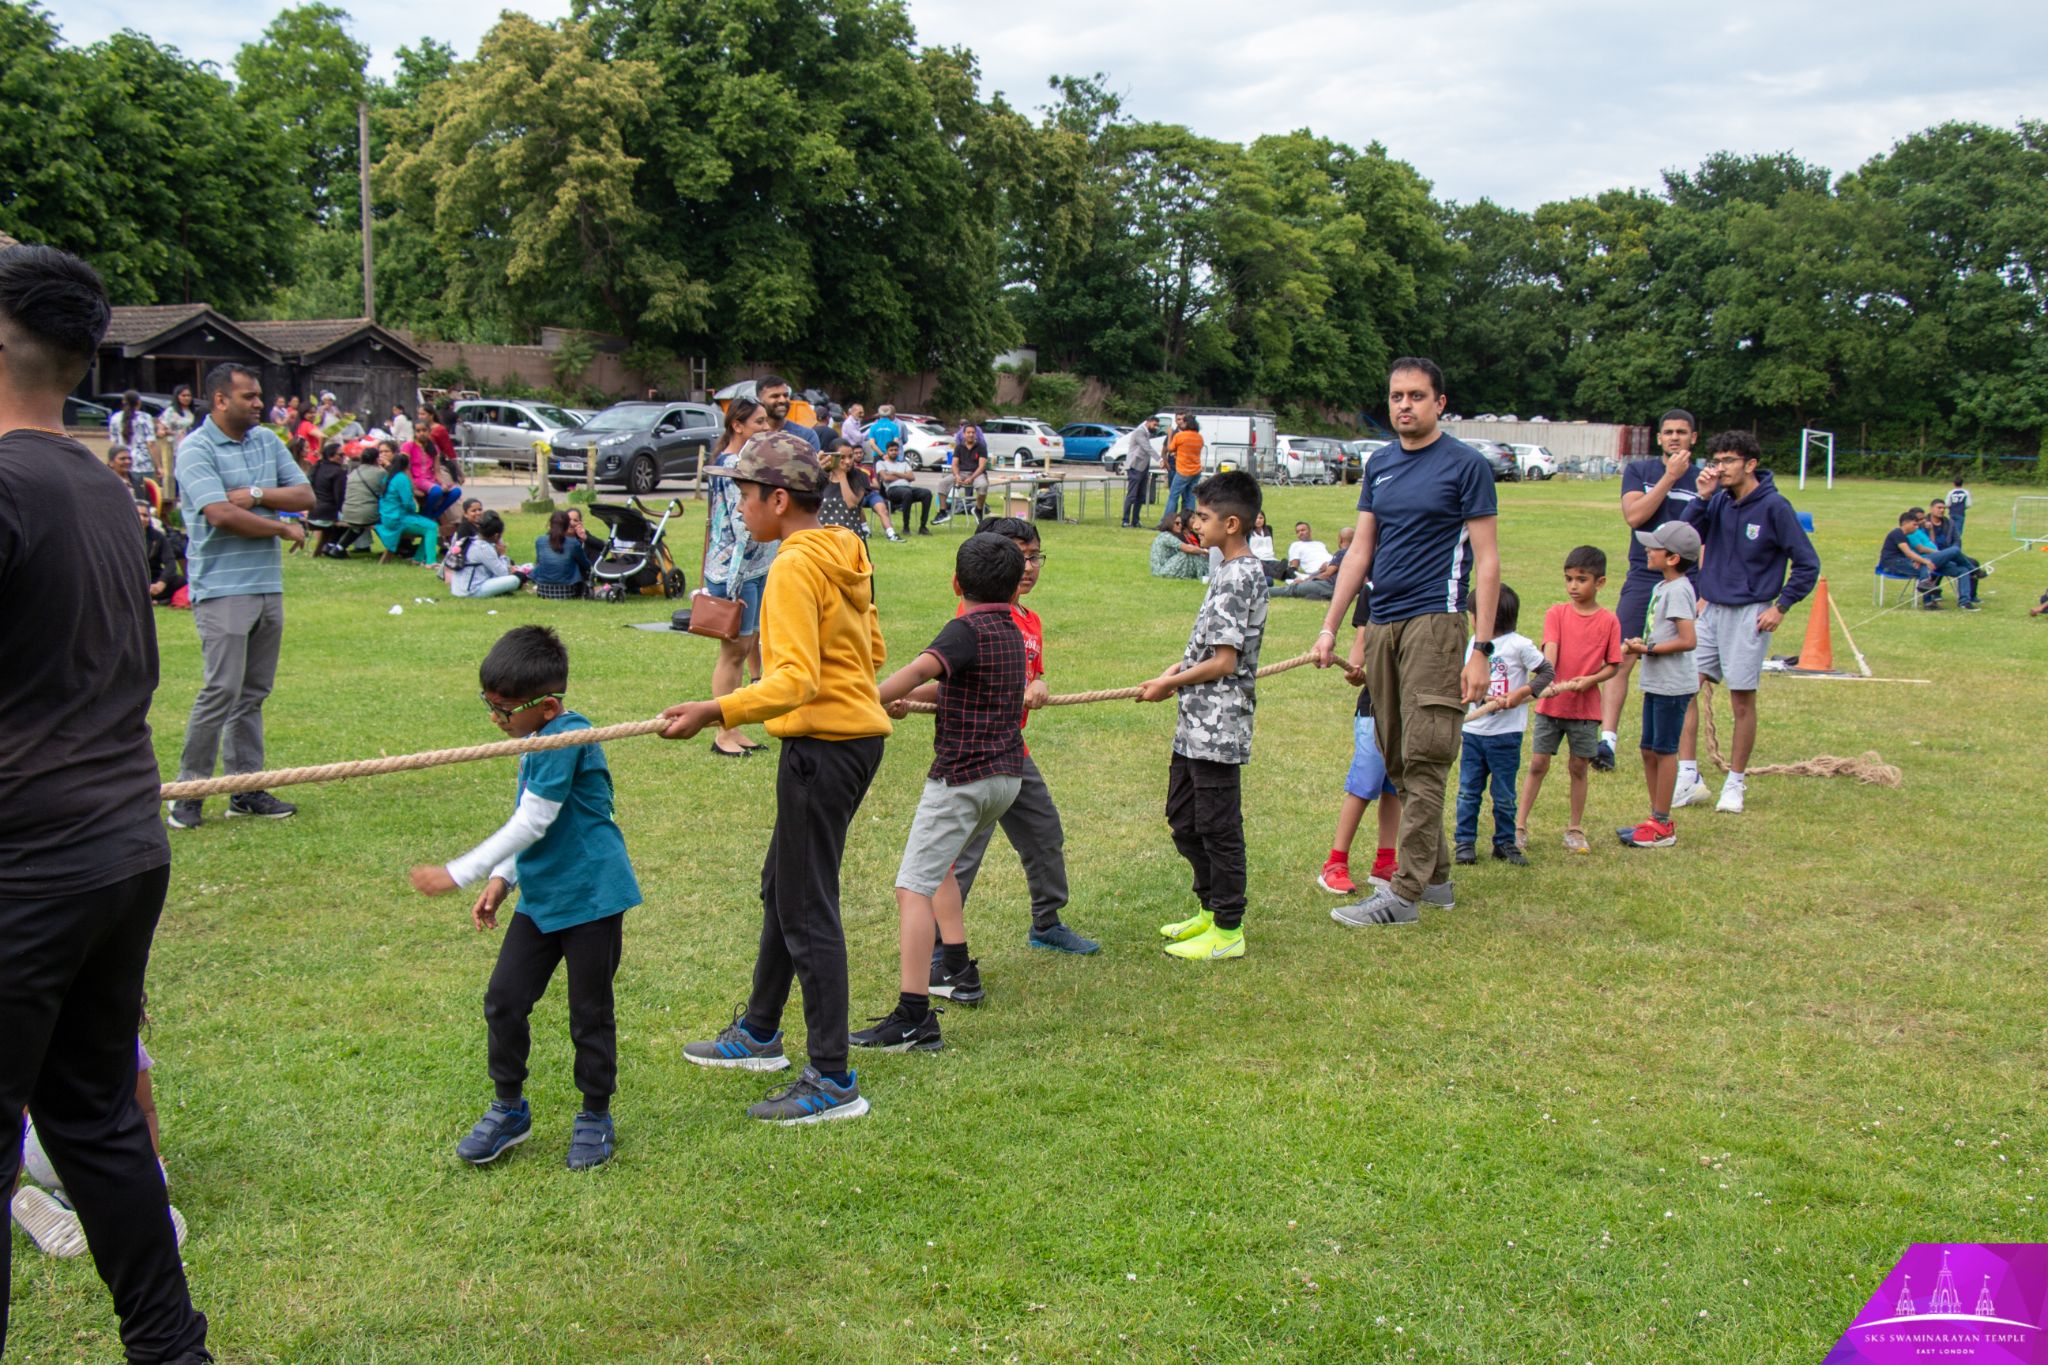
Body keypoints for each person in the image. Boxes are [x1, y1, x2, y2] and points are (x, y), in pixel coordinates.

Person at [0, 241, 212, 1362]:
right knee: (92, 1119)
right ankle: (173, 1349)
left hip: (31, 861)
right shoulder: (95, 478)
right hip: (115, 844)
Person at [664, 432, 890, 1124]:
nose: (739, 506)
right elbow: (872, 647)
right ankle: (760, 1030)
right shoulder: (846, 548)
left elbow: (794, 680)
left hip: (823, 746)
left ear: (778, 499)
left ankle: (831, 1077)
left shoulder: (795, 565)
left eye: (743, 494)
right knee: (783, 886)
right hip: (850, 741)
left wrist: (717, 709)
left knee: (806, 905)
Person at [408, 626, 641, 1170]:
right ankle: (509, 1107)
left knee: (590, 1011)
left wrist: (459, 872)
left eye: (503, 709)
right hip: (542, 899)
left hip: (591, 898)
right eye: (488, 705)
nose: (495, 719)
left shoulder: (568, 736)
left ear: (548, 705)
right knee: (505, 999)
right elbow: (531, 822)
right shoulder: (537, 739)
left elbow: (534, 818)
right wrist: (502, 878)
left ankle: (595, 1114)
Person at [1315, 357, 1498, 928]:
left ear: (1440, 402)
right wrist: (1332, 626)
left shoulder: (1466, 466)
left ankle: (1405, 894)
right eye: (1396, 396)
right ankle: (1437, 878)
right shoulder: (1381, 464)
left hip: (1435, 622)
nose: (1404, 406)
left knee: (1425, 756)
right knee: (1396, 756)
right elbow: (1360, 552)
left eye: (1416, 396)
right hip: (1386, 623)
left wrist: (1482, 649)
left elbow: (1487, 561)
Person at [851, 534, 1030, 1052]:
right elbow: (965, 683)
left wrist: (865, 702)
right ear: (1016, 588)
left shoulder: (964, 628)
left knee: (913, 889)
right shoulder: (1011, 630)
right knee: (943, 866)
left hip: (962, 781)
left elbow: (918, 670)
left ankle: (913, 1017)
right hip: (1004, 780)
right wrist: (910, 697)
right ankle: (955, 968)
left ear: (957, 584)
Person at [929, 516, 1099, 958]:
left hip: (1013, 751)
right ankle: (936, 949)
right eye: (1017, 558)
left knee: (1044, 833)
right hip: (975, 757)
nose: (1028, 567)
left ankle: (1047, 922)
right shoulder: (975, 618)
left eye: (1034, 556)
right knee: (962, 855)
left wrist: (1038, 684)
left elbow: (1033, 674)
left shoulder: (1031, 620)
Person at [167, 362, 314, 830]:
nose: (259, 403)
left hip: (266, 585)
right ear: (220, 400)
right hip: (222, 589)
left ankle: (245, 788)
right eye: (249, 396)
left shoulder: (268, 442)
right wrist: (281, 525)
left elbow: (305, 494)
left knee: (252, 693)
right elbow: (219, 514)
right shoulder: (195, 450)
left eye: (258, 396)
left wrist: (254, 493)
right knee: (221, 690)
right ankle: (188, 792)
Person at [1680, 430, 1821, 813]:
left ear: (1750, 464)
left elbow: (1807, 563)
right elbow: (1684, 539)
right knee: (1684, 688)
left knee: (1741, 699)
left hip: (1749, 613)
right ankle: (1687, 776)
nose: (1720, 468)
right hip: (1710, 610)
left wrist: (1781, 606)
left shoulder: (1775, 507)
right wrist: (1702, 498)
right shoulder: (1719, 501)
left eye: (1728, 461)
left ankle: (1735, 783)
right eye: (1716, 461)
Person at [1599, 409, 1702, 772]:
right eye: (1668, 432)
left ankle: (1685, 762)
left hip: (1686, 578)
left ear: (1693, 438)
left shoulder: (1704, 479)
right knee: (1622, 654)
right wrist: (1669, 479)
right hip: (1644, 575)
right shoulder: (1640, 471)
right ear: (1658, 438)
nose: (1674, 438)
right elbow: (1635, 517)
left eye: (1682, 432)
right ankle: (1607, 741)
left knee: (1682, 666)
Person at [1521, 547, 1622, 855]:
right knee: (1538, 763)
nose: (1573, 586)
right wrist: (1549, 679)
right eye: (1569, 579)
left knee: (1579, 767)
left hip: (1584, 710)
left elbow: (1613, 665)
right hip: (1552, 705)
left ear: (1600, 582)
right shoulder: (1557, 613)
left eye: (1582, 579)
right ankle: (1519, 826)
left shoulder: (1609, 621)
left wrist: (1591, 680)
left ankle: (1574, 829)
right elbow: (1550, 649)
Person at [1316, 580, 1404, 898]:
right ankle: (1335, 864)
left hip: (1409, 708)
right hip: (1375, 709)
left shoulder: (1427, 584)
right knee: (1364, 786)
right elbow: (1359, 650)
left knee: (1394, 787)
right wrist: (1354, 670)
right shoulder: (1373, 588)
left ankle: (1385, 862)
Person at [701, 397, 777, 756]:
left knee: (747, 647)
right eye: (759, 422)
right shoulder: (731, 466)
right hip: (734, 569)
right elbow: (739, 522)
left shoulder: (742, 462)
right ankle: (724, 733)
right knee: (732, 654)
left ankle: (735, 727)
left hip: (756, 565)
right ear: (738, 425)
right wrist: (733, 584)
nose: (766, 427)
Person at [1618, 522, 1701, 848]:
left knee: (1665, 751)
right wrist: (1644, 642)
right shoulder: (1663, 587)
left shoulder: (1680, 589)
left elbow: (1688, 639)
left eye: (1654, 547)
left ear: (1673, 557)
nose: (1647, 550)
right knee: (1648, 749)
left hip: (1672, 685)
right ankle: (1655, 816)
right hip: (1656, 682)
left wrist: (1647, 650)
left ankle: (1662, 825)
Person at [1453, 585, 1548, 867]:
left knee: (1504, 794)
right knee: (1468, 791)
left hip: (1505, 735)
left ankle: (1504, 842)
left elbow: (1547, 672)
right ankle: (1464, 842)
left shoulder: (1519, 645)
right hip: (1473, 734)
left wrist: (1519, 695)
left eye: (1473, 613)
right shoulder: (1473, 645)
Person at [375, 440, 441, 568]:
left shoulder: (387, 477)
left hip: (387, 517)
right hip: (398, 519)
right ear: (406, 467)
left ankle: (418, 558)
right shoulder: (401, 478)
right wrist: (414, 512)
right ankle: (430, 561)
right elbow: (408, 503)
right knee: (432, 526)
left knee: (430, 525)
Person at [1906, 506, 1980, 609]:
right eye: (1920, 519)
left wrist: (1931, 530)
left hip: (1935, 559)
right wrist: (1939, 553)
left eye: (1924, 518)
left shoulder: (1922, 530)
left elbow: (1932, 543)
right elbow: (1921, 549)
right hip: (1926, 560)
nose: (1923, 521)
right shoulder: (1910, 533)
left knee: (1963, 570)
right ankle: (1975, 570)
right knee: (1954, 550)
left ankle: (1964, 602)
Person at [447, 512, 523, 599]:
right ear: (496, 535)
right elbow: (503, 573)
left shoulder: (470, 540)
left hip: (457, 588)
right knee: (514, 580)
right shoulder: (484, 548)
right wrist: (502, 555)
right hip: (471, 591)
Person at [1271, 526, 1353, 599]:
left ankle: (1263, 592)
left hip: (1329, 586)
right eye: (1298, 531)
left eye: (1303, 530)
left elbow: (1327, 574)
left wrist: (1306, 581)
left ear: (1340, 539)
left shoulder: (1342, 553)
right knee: (1310, 590)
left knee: (1293, 589)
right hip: (1343, 591)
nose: (1301, 533)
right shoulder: (1358, 556)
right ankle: (1319, 596)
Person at [936, 421, 989, 524]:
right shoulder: (959, 447)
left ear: (976, 434)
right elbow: (954, 464)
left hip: (976, 474)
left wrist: (972, 478)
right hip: (961, 473)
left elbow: (982, 466)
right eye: (968, 432)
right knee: (942, 484)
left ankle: (978, 510)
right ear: (964, 434)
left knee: (983, 485)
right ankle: (943, 512)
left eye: (973, 432)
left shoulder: (981, 447)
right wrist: (956, 476)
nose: (971, 434)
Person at [532, 509, 593, 599]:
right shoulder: (573, 543)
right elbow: (586, 565)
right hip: (567, 590)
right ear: (567, 525)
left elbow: (538, 561)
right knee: (576, 562)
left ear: (550, 524)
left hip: (543, 589)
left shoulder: (540, 540)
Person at [876, 440, 933, 536]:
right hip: (892, 490)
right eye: (891, 450)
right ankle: (906, 527)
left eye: (896, 450)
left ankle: (923, 527)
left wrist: (894, 473)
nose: (894, 452)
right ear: (887, 452)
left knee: (927, 493)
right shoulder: (881, 463)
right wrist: (904, 475)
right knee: (907, 493)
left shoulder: (904, 464)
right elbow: (885, 478)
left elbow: (912, 477)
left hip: (908, 488)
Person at [140, 500, 189, 607]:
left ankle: (155, 599)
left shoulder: (158, 537)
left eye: (145, 515)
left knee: (181, 581)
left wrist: (162, 582)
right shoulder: (122, 538)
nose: (142, 518)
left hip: (154, 581)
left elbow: (170, 563)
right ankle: (154, 600)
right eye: (138, 515)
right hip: (134, 580)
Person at [756, 374, 821, 453]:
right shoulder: (752, 433)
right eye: (775, 396)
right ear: (760, 401)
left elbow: (813, 464)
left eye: (785, 395)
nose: (782, 400)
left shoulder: (806, 436)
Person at [307, 440, 348, 553]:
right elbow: (339, 496)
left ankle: (331, 544)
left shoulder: (318, 467)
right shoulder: (338, 472)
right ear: (331, 456)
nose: (343, 457)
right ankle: (334, 545)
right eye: (340, 455)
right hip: (327, 514)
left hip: (313, 513)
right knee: (355, 522)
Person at [1163, 411, 1204, 519]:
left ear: (1187, 424)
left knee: (1173, 496)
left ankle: (1167, 521)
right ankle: (1189, 521)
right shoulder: (1199, 437)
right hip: (1196, 471)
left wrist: (1170, 434)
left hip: (1183, 471)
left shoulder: (1180, 436)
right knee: (1190, 497)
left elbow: (1170, 448)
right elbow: (1191, 451)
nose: (1181, 424)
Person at [107, 389, 157, 478]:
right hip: (144, 465)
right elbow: (151, 444)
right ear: (139, 402)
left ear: (123, 402)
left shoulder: (115, 418)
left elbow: (113, 444)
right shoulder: (145, 418)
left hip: (122, 464)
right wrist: (158, 466)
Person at [1122, 415, 1160, 527]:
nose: (1156, 427)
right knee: (1132, 495)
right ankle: (1125, 520)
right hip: (1135, 466)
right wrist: (1160, 459)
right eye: (1154, 425)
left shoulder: (1146, 432)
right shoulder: (1139, 432)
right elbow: (1146, 447)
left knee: (1141, 496)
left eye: (1157, 425)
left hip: (1143, 467)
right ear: (1148, 422)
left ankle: (1135, 520)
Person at [1148, 509, 1210, 579]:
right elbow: (1187, 549)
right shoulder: (1166, 536)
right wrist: (1205, 551)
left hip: (1164, 567)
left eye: (1180, 523)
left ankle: (1205, 572)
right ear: (1170, 523)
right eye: (1177, 523)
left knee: (1191, 553)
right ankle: (1205, 573)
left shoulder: (1170, 535)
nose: (1180, 525)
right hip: (1161, 571)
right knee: (1187, 553)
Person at [156, 385, 198, 479]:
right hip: (175, 449)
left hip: (191, 447)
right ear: (177, 396)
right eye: (183, 395)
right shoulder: (171, 411)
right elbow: (160, 430)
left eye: (189, 395)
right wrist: (173, 432)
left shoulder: (191, 412)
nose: (187, 398)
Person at [109, 447, 162, 515]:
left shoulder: (140, 483)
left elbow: (148, 507)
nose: (128, 461)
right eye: (122, 459)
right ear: (111, 463)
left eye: (130, 459)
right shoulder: (106, 483)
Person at [1946, 474, 1971, 546]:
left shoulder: (1951, 492)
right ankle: (1956, 543)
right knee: (1959, 530)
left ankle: (1949, 542)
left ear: (1953, 484)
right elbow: (1968, 504)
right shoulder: (1966, 492)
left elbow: (1947, 504)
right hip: (1960, 513)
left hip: (1952, 513)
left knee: (1951, 528)